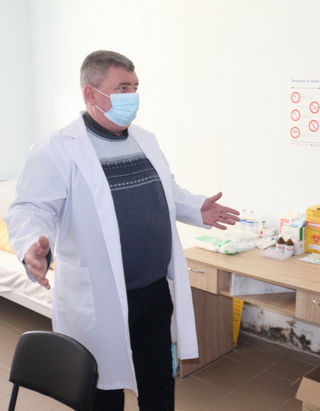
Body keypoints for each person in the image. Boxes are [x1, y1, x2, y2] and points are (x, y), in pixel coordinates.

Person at [6, 50, 240, 411]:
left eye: (135, 87)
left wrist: (196, 207)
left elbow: (165, 190)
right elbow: (30, 208)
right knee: (102, 387)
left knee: (157, 379)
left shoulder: (145, 139)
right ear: (91, 94)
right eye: (122, 88)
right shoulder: (57, 149)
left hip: (153, 289)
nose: (132, 96)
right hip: (100, 296)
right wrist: (30, 247)